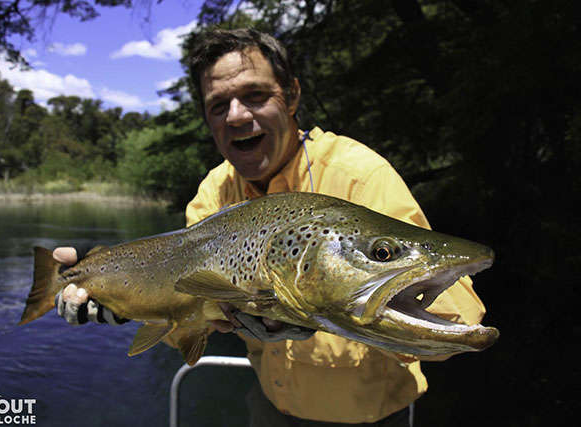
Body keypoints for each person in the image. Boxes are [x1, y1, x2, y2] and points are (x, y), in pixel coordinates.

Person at [52, 28, 487, 426]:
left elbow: (463, 321)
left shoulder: (359, 174)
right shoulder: (215, 192)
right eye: (218, 106)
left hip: (370, 418)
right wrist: (128, 305)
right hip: (271, 409)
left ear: (292, 96)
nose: (237, 116)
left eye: (255, 95)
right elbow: (189, 314)